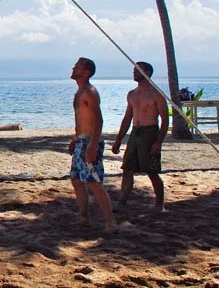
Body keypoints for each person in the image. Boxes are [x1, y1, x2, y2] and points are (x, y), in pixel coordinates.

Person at [68, 58, 118, 233]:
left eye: (77, 67)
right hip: (81, 141)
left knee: (94, 182)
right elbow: (83, 120)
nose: (73, 68)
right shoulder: (79, 92)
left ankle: (110, 222)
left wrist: (93, 146)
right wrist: (75, 138)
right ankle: (84, 218)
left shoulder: (90, 92)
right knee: (76, 179)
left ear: (87, 72)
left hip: (90, 142)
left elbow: (98, 120)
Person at [111, 61, 168, 213]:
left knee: (151, 170)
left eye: (138, 70)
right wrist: (118, 139)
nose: (134, 72)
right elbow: (127, 118)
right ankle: (122, 201)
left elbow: (165, 121)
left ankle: (159, 204)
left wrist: (158, 143)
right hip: (135, 133)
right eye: (133, 70)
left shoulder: (156, 94)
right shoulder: (132, 94)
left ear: (147, 72)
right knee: (127, 169)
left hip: (150, 132)